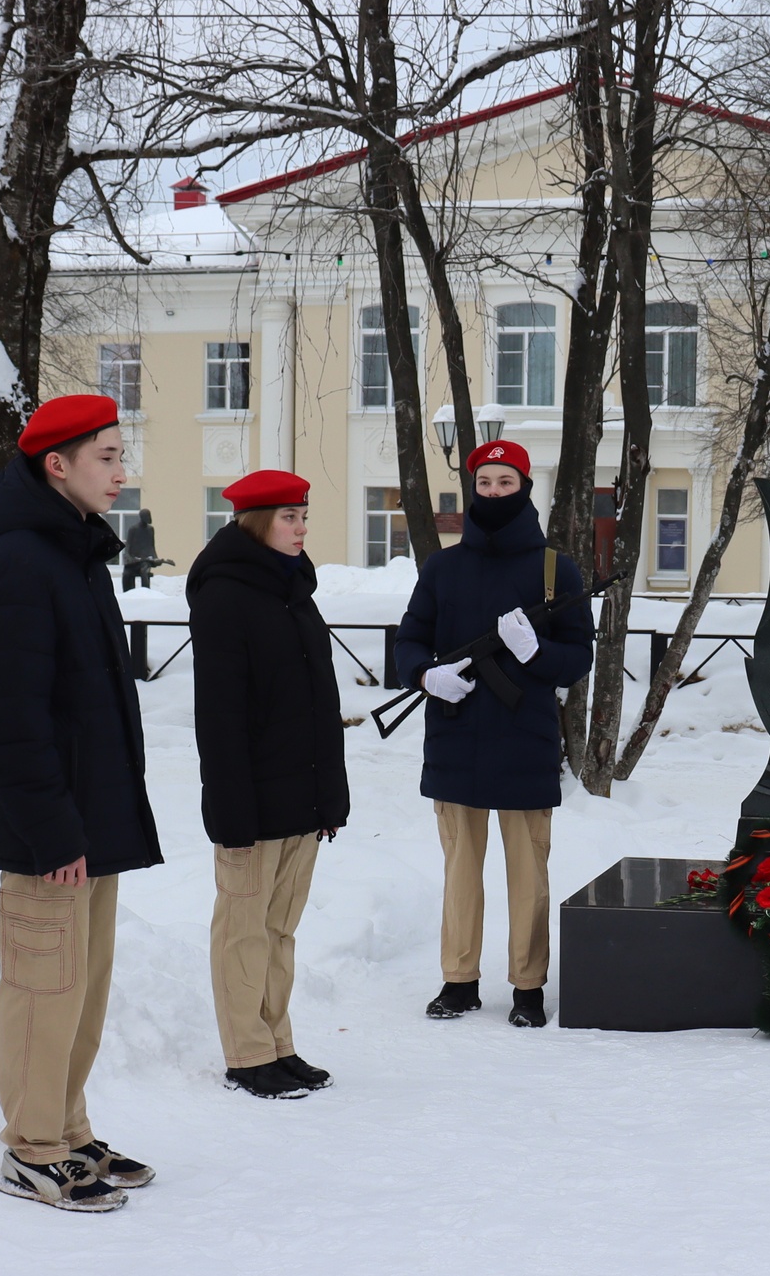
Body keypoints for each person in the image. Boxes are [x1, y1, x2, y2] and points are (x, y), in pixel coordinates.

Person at [0, 394, 162, 1211]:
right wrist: (51, 829)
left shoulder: (73, 552)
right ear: (58, 465)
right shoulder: (18, 563)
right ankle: (33, 1147)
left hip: (92, 820)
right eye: (107, 457)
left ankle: (69, 1128)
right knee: (44, 991)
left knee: (82, 987)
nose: (122, 471)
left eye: (121, 455)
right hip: (49, 829)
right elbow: (9, 717)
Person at [394, 439, 592, 1026]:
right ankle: (459, 980)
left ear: (524, 487)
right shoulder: (444, 567)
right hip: (455, 737)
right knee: (461, 872)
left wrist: (537, 654)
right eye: (485, 483)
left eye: (506, 482)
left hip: (524, 741)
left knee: (528, 872)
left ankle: (528, 986)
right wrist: (426, 676)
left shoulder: (556, 569)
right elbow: (408, 640)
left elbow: (578, 659)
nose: (494, 492)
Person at [189, 470, 349, 1097]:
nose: (302, 528)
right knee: (243, 930)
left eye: (304, 515)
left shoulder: (295, 590)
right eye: (288, 517)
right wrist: (231, 813)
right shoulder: (225, 595)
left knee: (280, 930)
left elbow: (318, 702)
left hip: (302, 799)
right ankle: (246, 1052)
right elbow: (221, 718)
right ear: (255, 522)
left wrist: (328, 799)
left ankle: (277, 1042)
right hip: (251, 802)